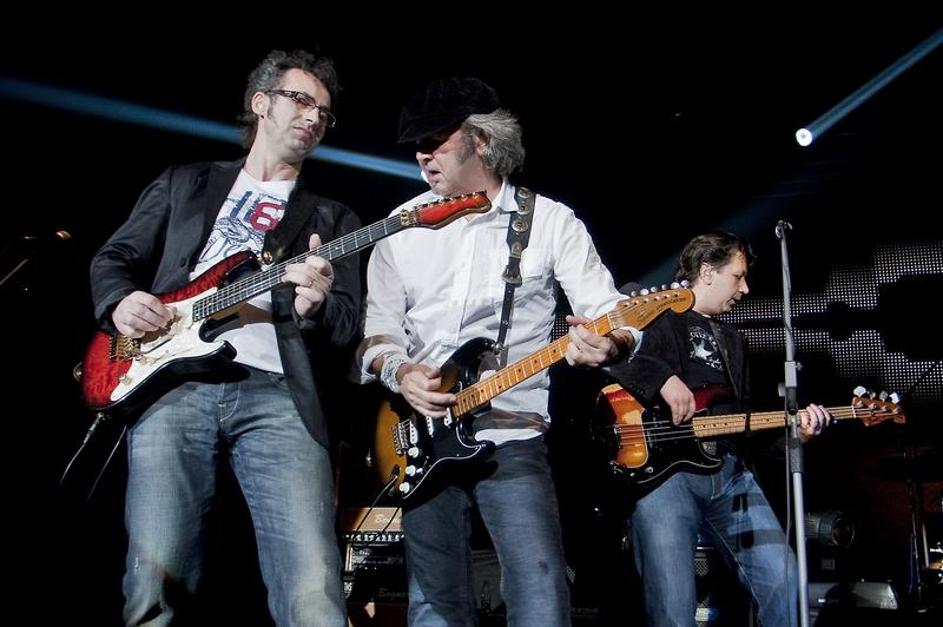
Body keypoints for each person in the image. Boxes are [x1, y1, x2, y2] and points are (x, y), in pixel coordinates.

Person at [89, 49, 360, 626]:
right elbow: (114, 259)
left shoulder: (332, 219)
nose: (314, 117)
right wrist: (121, 301)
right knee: (154, 581)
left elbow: (345, 326)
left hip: (280, 396)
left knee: (313, 589)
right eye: (301, 100)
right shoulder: (185, 182)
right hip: (170, 386)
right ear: (260, 103)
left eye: (325, 112)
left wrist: (313, 307)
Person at [356, 76, 638, 626]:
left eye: (435, 141)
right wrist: (400, 370)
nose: (422, 155)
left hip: (512, 434)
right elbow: (377, 332)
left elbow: (612, 311)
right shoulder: (400, 228)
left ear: (480, 140)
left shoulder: (550, 221)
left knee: (541, 593)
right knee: (434, 604)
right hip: (420, 439)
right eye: (416, 145)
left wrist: (610, 341)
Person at [608, 231, 832, 627]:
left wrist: (795, 436)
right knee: (673, 607)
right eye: (738, 276)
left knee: (785, 583)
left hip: (731, 474)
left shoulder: (734, 340)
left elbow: (745, 426)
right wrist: (663, 379)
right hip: (666, 476)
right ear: (707, 272)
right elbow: (609, 348)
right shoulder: (654, 311)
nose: (745, 289)